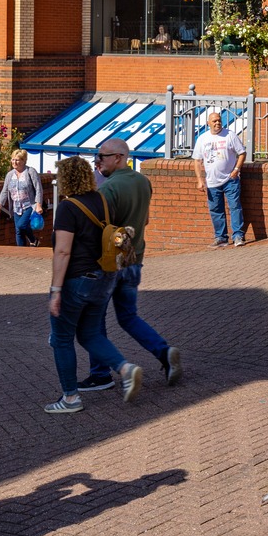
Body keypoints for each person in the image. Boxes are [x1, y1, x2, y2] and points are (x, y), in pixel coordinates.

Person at [44, 155, 142, 413]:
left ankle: (71, 398)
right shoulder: (101, 200)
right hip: (104, 278)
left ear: (65, 179)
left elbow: (63, 252)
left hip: (77, 281)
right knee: (89, 333)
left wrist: (55, 291)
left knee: (61, 339)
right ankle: (125, 368)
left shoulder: (67, 208)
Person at [86, 138, 180, 388]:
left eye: (102, 156)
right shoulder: (142, 181)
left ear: (118, 157)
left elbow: (100, 231)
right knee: (128, 316)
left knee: (94, 320)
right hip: (134, 260)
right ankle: (164, 352)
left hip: (109, 265)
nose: (98, 160)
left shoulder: (108, 190)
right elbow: (146, 220)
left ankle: (100, 374)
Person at [192, 108, 247, 247]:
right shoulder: (202, 139)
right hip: (212, 181)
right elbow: (197, 161)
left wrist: (236, 169)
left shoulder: (230, 135)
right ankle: (221, 237)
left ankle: (238, 236)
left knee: (235, 207)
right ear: (208, 123)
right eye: (214, 121)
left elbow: (242, 153)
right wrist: (199, 180)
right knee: (216, 210)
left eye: (219, 121)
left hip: (230, 179)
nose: (217, 123)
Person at [0, 148, 44, 246]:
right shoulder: (10, 175)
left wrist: (38, 205)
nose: (14, 162)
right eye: (13, 159)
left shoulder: (30, 172)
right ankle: (21, 253)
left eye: (17, 160)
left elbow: (39, 188)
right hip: (16, 207)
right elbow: (4, 191)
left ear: (23, 161)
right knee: (19, 232)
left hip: (30, 205)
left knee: (21, 225)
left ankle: (33, 240)